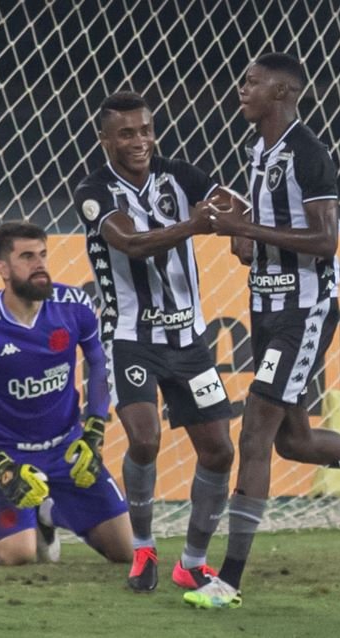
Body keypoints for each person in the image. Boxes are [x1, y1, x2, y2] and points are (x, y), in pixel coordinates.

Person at [183, 53, 340, 609]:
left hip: (304, 309)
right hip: (265, 307)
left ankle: (227, 582)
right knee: (293, 441)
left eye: (252, 82)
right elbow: (266, 236)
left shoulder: (307, 154)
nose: (241, 89)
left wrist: (245, 226)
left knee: (255, 433)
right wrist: (245, 242)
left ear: (283, 93)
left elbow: (324, 241)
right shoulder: (258, 151)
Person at [72, 91, 235, 593]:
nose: (140, 141)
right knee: (145, 438)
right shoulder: (94, 190)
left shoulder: (180, 175)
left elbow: (231, 205)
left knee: (219, 452)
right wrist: (195, 224)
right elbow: (133, 244)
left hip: (189, 340)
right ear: (105, 140)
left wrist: (242, 233)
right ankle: (143, 551)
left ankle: (192, 560)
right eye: (126, 133)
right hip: (131, 339)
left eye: (145, 130)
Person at [0, 221, 132, 566]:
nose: (40, 265)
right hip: (10, 456)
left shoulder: (74, 306)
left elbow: (99, 367)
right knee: (19, 555)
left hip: (67, 450)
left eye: (43, 255)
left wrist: (94, 431)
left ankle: (48, 512)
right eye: (27, 257)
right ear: (3, 268)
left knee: (126, 552)